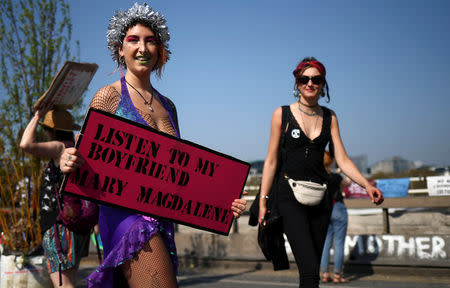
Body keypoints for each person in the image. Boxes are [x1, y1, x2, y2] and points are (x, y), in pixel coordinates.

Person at [59, 3, 247, 287]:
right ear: (119, 49)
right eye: (133, 40)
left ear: (160, 49)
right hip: (127, 220)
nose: (142, 48)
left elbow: (181, 172)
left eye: (150, 40)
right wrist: (68, 160)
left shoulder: (169, 106)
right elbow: (85, 152)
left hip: (163, 219)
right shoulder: (107, 97)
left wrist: (222, 202)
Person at [258, 57, 384, 288]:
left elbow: (342, 159)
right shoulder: (281, 114)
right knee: (308, 269)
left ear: (323, 84)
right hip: (289, 196)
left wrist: (367, 185)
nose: (310, 83)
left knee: (313, 269)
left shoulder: (330, 117)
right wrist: (264, 201)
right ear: (296, 83)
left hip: (321, 199)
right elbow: (271, 160)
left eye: (316, 79)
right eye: (304, 79)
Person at [20, 108, 90, 288]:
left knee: (63, 285)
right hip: (76, 225)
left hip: (59, 228)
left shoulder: (60, 147)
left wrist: (36, 116)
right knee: (69, 282)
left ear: (52, 130)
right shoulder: (76, 149)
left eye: (46, 128)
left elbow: (26, 144)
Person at [320, 151, 351, 284]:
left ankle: (325, 274)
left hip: (323, 210)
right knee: (339, 244)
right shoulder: (336, 177)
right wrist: (341, 170)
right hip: (338, 208)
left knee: (325, 244)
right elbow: (348, 183)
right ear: (331, 161)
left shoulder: (319, 176)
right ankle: (337, 275)